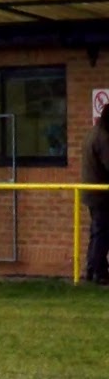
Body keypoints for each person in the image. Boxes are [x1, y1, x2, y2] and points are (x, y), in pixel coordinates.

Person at [83, 106, 109, 284]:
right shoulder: (104, 138)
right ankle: (98, 272)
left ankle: (93, 269)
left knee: (97, 232)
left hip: (91, 192)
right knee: (102, 233)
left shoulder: (92, 134)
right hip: (101, 194)